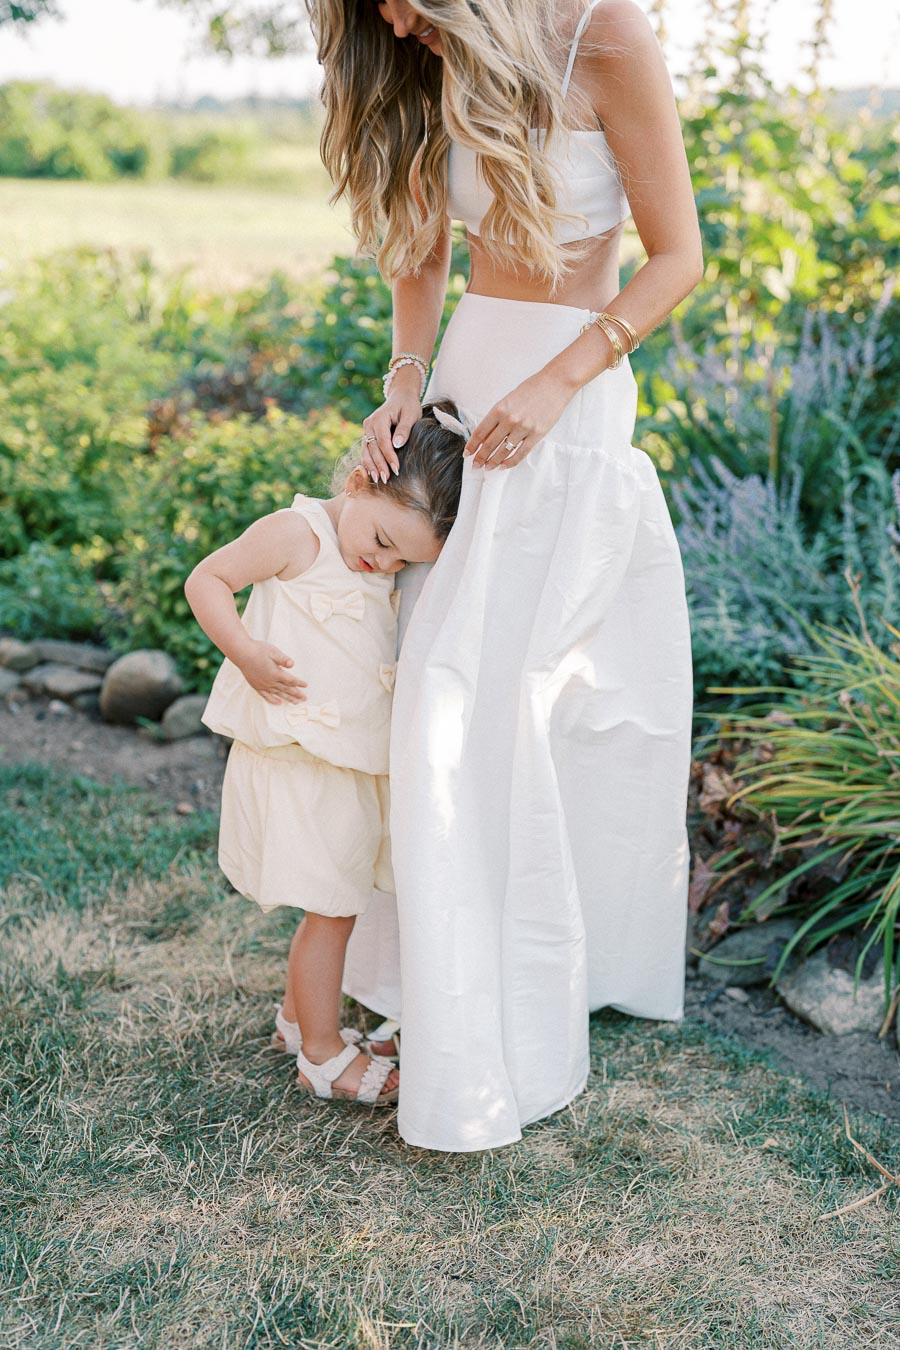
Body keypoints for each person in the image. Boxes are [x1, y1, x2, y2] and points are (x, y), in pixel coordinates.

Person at [311, 0, 702, 1149]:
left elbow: (679, 256)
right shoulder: (431, 57)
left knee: (509, 710)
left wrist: (560, 382)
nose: (390, 15)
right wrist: (403, 378)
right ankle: (437, 983)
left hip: (561, 407)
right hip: (467, 391)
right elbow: (426, 248)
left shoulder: (605, 36)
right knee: (436, 693)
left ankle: (509, 1005)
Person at [184, 404, 465, 1105]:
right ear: (363, 480)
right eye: (382, 541)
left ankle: (292, 1021)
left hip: (347, 763)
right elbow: (206, 581)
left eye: (403, 560)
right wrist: (245, 652)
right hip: (297, 758)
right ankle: (321, 1054)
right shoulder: (297, 534)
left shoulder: (369, 552)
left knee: (338, 901)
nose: (384, 562)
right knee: (333, 909)